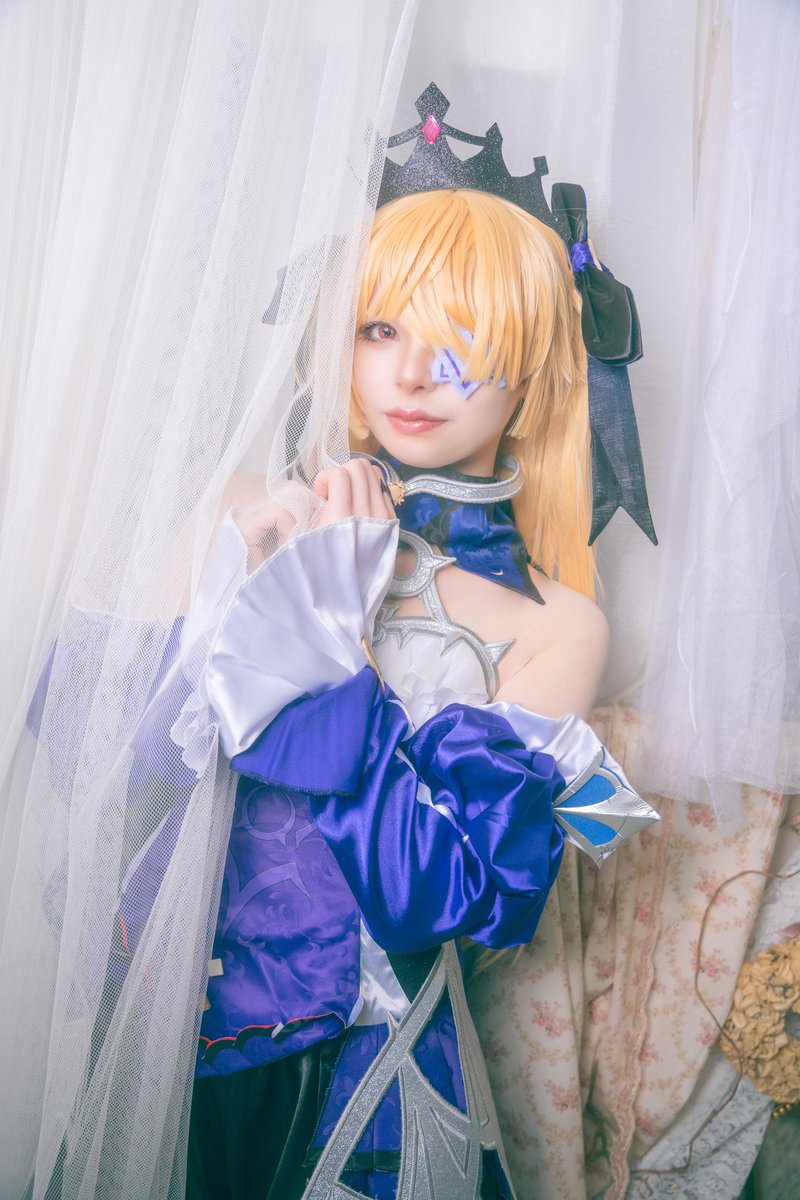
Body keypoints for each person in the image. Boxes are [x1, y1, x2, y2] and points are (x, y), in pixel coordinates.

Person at [174, 185, 656, 1200]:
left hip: (375, 1069)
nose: (412, 374)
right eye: (381, 328)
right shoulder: (250, 516)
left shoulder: (558, 625)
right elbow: (110, 780)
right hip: (169, 1032)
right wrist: (249, 585)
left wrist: (330, 635)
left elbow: (427, 895)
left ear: (530, 371)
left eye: (463, 337)